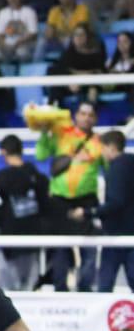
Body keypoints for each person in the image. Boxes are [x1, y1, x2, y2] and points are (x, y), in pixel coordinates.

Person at [35, 101, 102, 291]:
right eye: (83, 114)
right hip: (60, 201)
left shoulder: (99, 142)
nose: (86, 118)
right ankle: (60, 289)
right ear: (75, 116)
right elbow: (40, 155)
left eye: (90, 115)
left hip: (87, 200)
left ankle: (85, 289)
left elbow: (110, 165)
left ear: (95, 119)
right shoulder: (60, 134)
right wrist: (44, 132)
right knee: (60, 248)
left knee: (89, 247)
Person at [0, 136, 50, 291]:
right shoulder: (38, 177)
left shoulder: (0, 179)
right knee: (29, 289)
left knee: (8, 291)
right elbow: (46, 207)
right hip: (34, 240)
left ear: (3, 152)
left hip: (9, 242)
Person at [92, 130, 134, 293]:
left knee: (105, 285)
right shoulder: (130, 163)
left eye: (102, 148)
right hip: (129, 232)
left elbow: (116, 202)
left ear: (111, 147)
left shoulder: (117, 168)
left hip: (117, 233)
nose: (101, 153)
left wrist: (90, 212)